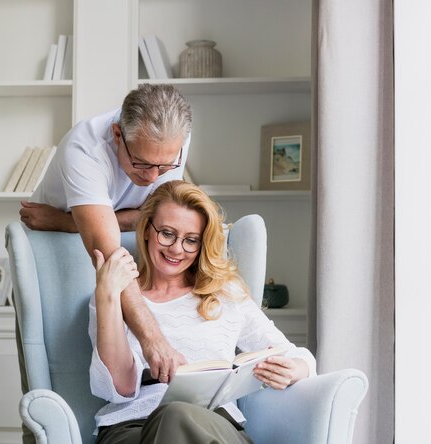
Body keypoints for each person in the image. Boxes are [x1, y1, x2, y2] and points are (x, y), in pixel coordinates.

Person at [89, 181, 316, 444]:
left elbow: (298, 356)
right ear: (147, 229)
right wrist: (107, 295)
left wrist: (294, 369)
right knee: (171, 416)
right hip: (131, 430)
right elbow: (120, 389)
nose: (176, 249)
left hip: (213, 427)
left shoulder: (225, 295)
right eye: (167, 233)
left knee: (177, 416)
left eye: (190, 240)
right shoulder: (116, 294)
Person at [19, 84, 192, 381]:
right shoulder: (84, 149)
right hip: (55, 256)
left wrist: (69, 222)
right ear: (117, 136)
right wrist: (154, 340)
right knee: (49, 375)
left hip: (90, 237)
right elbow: (111, 259)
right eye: (142, 164)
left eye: (164, 167)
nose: (152, 177)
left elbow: (160, 217)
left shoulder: (175, 139)